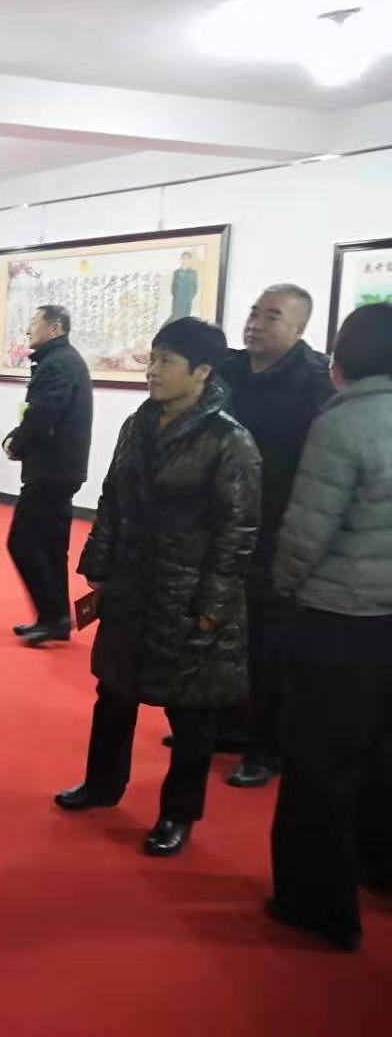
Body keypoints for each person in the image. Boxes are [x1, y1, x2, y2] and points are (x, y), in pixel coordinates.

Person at [55, 318, 259, 858]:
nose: (152, 371)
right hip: (133, 583)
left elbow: (239, 530)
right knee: (114, 693)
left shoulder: (229, 440)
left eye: (166, 361)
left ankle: (178, 813)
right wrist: (98, 564)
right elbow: (112, 498)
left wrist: (214, 605)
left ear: (202, 371)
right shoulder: (138, 424)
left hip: (188, 592)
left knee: (190, 713)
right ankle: (102, 784)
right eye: (152, 358)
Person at [267, 302, 392, 953]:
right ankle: (381, 867)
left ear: (346, 357)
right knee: (382, 752)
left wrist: (284, 589)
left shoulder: (345, 422)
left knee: (322, 762)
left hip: (343, 616)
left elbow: (306, 534)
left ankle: (318, 904)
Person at [215, 284, 335, 787]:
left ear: (299, 328)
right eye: (253, 312)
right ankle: (227, 725)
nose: (255, 324)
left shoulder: (316, 385)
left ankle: (266, 746)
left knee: (270, 643)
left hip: (279, 530)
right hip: (223, 524)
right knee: (223, 630)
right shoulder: (228, 371)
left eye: (271, 316)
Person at [3, 304, 93, 645]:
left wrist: (18, 444)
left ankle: (53, 616)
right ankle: (54, 617)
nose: (28, 330)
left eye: (33, 323)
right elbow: (39, 413)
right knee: (51, 546)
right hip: (62, 468)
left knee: (23, 542)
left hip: (51, 470)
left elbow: (43, 415)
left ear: (55, 328)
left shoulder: (58, 364)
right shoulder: (63, 360)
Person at [171, 251, 199, 320]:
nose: (184, 260)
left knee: (185, 318)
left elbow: (195, 287)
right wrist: (176, 296)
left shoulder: (193, 273)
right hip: (177, 300)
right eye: (183, 258)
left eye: (186, 258)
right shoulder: (176, 272)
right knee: (176, 317)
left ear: (189, 260)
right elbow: (173, 287)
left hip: (187, 300)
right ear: (181, 259)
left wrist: (189, 297)